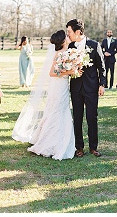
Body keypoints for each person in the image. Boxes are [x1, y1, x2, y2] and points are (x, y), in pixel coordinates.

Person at [12, 30, 78, 160]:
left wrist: (73, 71)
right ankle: (51, 143)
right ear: (63, 41)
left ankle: (61, 140)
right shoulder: (59, 54)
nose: (68, 37)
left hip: (63, 86)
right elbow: (52, 73)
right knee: (57, 111)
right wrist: (70, 71)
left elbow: (62, 71)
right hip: (58, 86)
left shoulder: (67, 53)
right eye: (66, 36)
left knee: (61, 111)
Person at [66, 19, 106, 158]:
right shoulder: (70, 46)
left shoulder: (94, 45)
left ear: (78, 32)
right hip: (76, 87)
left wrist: (102, 85)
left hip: (91, 87)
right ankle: (79, 147)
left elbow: (102, 67)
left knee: (91, 117)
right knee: (77, 117)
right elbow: (66, 65)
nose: (68, 34)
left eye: (69, 32)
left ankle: (93, 147)